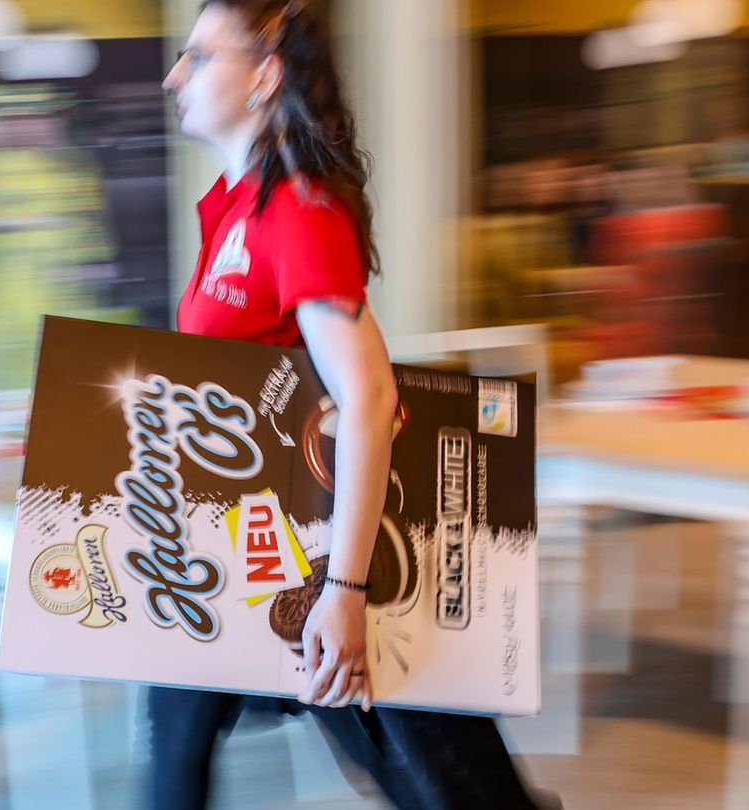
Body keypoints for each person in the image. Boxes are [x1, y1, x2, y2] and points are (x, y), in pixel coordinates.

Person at [150, 2, 555, 808]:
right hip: (249, 547)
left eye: (199, 56)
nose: (174, 76)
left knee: (447, 784)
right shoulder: (236, 209)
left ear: (264, 74)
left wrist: (345, 593)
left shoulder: (298, 207)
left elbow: (368, 396)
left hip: (324, 556)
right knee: (173, 760)